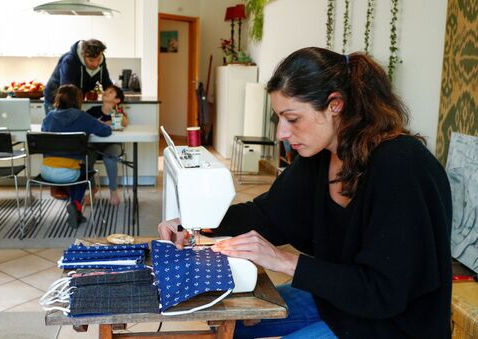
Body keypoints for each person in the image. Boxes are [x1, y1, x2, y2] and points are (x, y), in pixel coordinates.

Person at [158, 47, 452, 338]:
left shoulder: (402, 167)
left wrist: (281, 260)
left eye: (293, 119)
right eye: (279, 119)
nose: (281, 134)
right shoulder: (320, 157)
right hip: (336, 302)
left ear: (335, 104)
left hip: (392, 325)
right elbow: (267, 215)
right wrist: (192, 222)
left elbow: (383, 291)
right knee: (230, 327)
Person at [41, 84, 111, 228]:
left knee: (79, 169)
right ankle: (75, 205)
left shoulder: (49, 117)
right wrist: (96, 123)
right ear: (78, 100)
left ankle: (76, 209)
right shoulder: (83, 117)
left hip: (46, 172)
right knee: (84, 171)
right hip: (69, 173)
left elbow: (44, 132)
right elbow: (106, 132)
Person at [44, 39, 113, 115]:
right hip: (56, 98)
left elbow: (106, 82)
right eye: (91, 60)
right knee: (58, 125)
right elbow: (67, 90)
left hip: (74, 98)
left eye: (98, 59)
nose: (96, 64)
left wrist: (115, 96)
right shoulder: (70, 60)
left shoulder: (101, 60)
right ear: (83, 55)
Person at [86, 85, 128, 205]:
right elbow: (84, 122)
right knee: (86, 159)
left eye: (110, 92)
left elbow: (125, 122)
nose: (105, 92)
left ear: (117, 100)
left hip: (112, 145)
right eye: (106, 91)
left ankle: (113, 191)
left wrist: (107, 119)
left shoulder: (118, 112)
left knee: (109, 159)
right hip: (94, 146)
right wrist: (100, 123)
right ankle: (92, 189)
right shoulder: (93, 110)